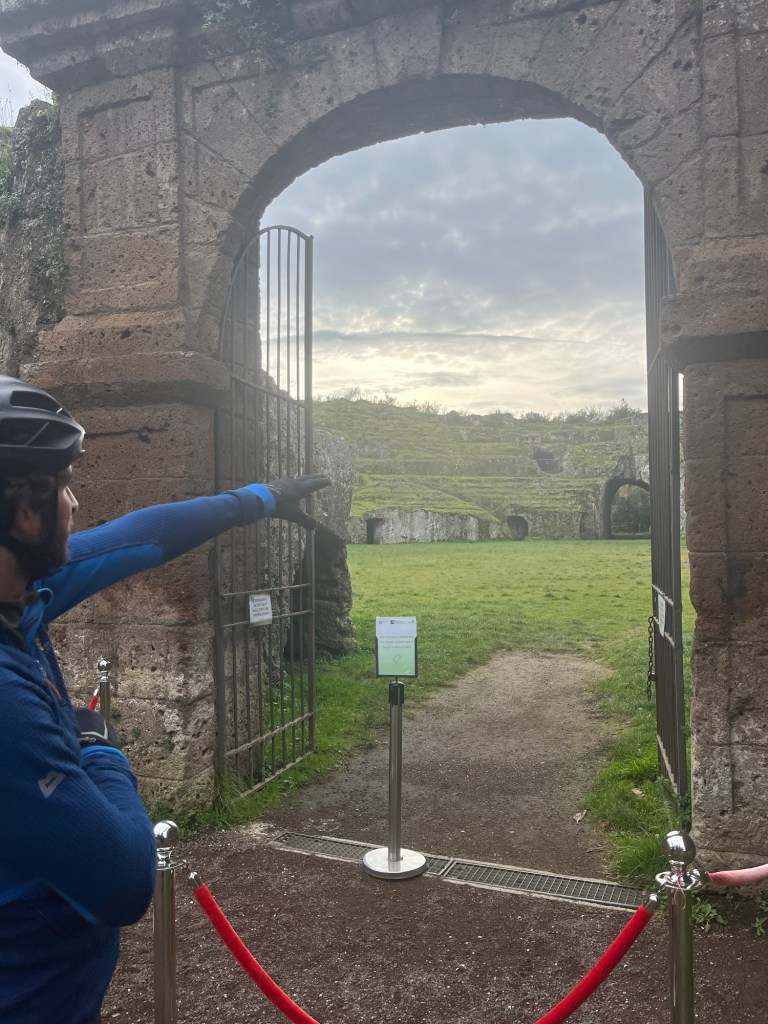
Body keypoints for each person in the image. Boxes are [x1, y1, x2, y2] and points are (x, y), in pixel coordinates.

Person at [0, 375, 330, 1023]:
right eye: (63, 485)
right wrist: (99, 748)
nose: (76, 502)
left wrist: (259, 499)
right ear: (24, 515)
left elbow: (139, 538)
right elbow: (123, 880)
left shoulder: (20, 593)